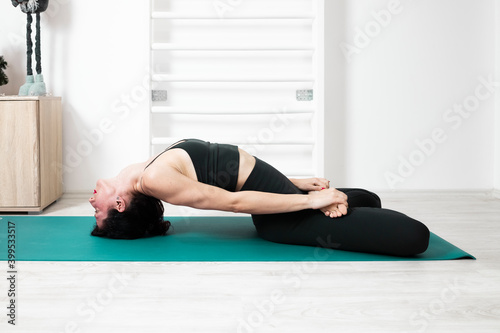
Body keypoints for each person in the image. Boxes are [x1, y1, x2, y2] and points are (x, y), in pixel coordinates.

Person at [89, 138, 429, 257]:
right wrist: (300, 194)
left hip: (273, 207)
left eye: (94, 213)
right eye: (98, 213)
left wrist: (299, 191)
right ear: (119, 205)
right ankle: (333, 205)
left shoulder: (146, 173)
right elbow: (232, 191)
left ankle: (332, 204)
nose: (92, 204)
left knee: (387, 214)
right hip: (273, 206)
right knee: (397, 222)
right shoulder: (153, 176)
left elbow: (232, 188)